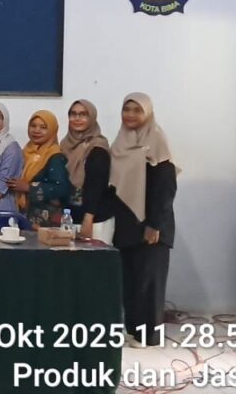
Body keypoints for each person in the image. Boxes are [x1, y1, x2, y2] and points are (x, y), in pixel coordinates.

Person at [109, 93, 177, 347]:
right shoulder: (120, 143)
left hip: (152, 227)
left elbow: (166, 189)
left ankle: (149, 335)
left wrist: (154, 225)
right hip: (127, 225)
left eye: (137, 110)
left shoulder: (156, 141)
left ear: (147, 113)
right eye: (126, 109)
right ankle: (132, 330)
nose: (130, 115)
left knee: (149, 283)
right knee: (130, 281)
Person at [6, 110, 72, 228]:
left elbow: (62, 188)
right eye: (33, 126)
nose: (36, 130)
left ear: (52, 130)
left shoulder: (56, 157)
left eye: (43, 127)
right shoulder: (25, 152)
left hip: (46, 223)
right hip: (23, 216)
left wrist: (29, 187)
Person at [61, 99, 113, 243]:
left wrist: (88, 218)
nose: (77, 118)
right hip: (71, 217)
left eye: (83, 115)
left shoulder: (97, 148)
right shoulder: (65, 145)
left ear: (92, 118)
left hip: (94, 219)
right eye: (73, 114)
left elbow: (97, 185)